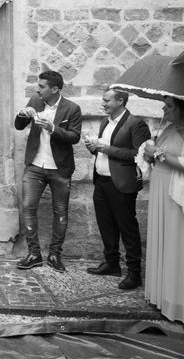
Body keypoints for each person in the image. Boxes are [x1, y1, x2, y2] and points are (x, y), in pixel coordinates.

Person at [14, 70, 82, 273]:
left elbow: (74, 137)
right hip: (35, 165)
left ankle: (55, 254)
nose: (37, 89)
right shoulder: (35, 100)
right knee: (28, 208)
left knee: (60, 211)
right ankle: (34, 254)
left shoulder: (72, 108)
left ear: (55, 89)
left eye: (42, 86)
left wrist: (53, 128)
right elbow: (19, 126)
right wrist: (21, 114)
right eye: (38, 85)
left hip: (59, 169)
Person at [84, 89, 151, 289]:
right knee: (106, 225)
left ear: (120, 101)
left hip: (122, 184)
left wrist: (109, 150)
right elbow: (102, 151)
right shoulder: (105, 121)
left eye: (107, 100)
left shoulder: (136, 123)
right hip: (102, 181)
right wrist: (93, 147)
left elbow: (139, 155)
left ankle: (134, 273)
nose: (103, 103)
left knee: (127, 227)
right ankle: (112, 263)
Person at [142, 96, 184, 322]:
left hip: (174, 194)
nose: (163, 108)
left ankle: (177, 299)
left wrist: (157, 152)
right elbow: (158, 157)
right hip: (159, 190)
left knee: (175, 242)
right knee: (163, 240)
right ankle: (162, 293)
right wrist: (149, 153)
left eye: (169, 106)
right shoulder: (167, 128)